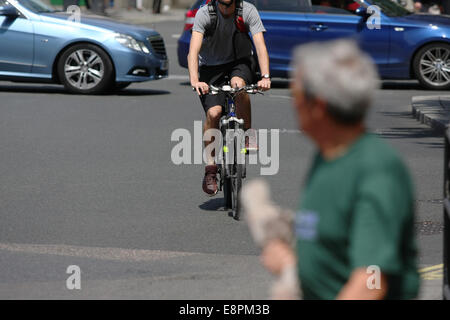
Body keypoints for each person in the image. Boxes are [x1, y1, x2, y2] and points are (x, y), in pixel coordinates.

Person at [260, 39, 420, 299]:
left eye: (296, 94)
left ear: (319, 106)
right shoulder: (328, 155)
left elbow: (372, 280)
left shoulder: (376, 168)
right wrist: (292, 262)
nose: (293, 102)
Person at [188, 0, 271, 196]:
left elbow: (260, 46)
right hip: (210, 67)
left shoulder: (247, 10)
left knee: (238, 86)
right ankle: (210, 169)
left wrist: (265, 76)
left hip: (239, 62)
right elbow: (193, 51)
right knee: (214, 113)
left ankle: (248, 134)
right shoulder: (205, 14)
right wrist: (195, 80)